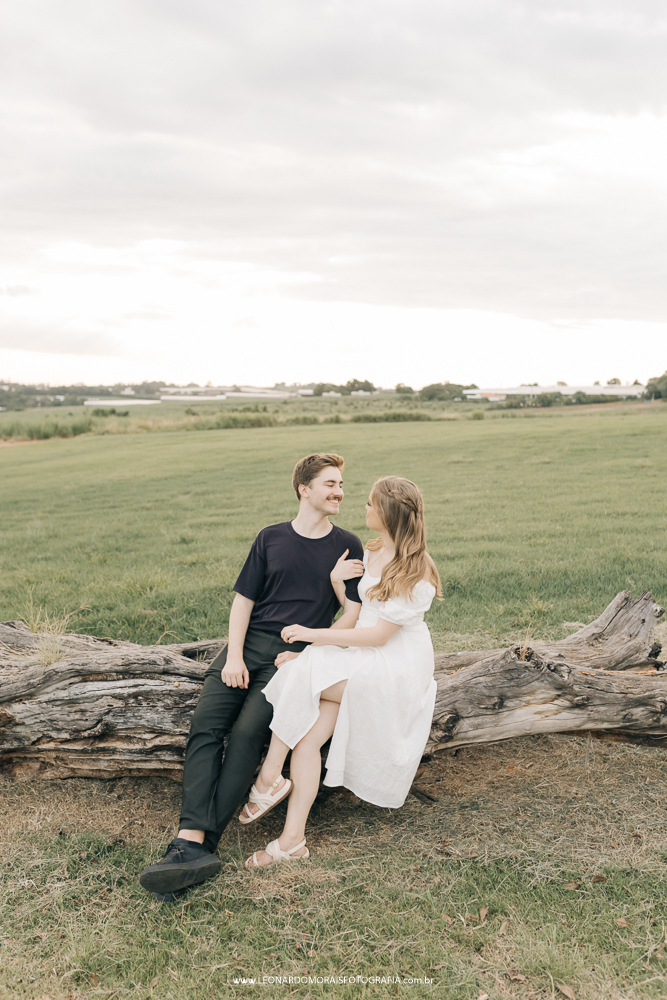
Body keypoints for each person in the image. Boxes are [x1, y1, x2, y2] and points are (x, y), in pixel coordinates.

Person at [138, 453, 364, 899]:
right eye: (330, 484)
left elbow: (352, 619)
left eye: (341, 484)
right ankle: (191, 841)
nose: (339, 491)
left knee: (245, 736)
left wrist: (322, 625)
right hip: (247, 648)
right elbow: (243, 601)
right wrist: (234, 657)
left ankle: (196, 847)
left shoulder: (348, 545)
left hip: (294, 661)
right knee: (205, 728)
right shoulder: (271, 538)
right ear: (304, 488)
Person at [243, 475, 441, 868]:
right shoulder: (374, 550)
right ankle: (292, 842)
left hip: (394, 668)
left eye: (370, 503)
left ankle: (268, 779)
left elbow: (381, 636)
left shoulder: (416, 570)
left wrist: (310, 639)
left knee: (297, 673)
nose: (363, 507)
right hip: (362, 657)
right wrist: (337, 584)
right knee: (306, 741)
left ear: (386, 512)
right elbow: (356, 614)